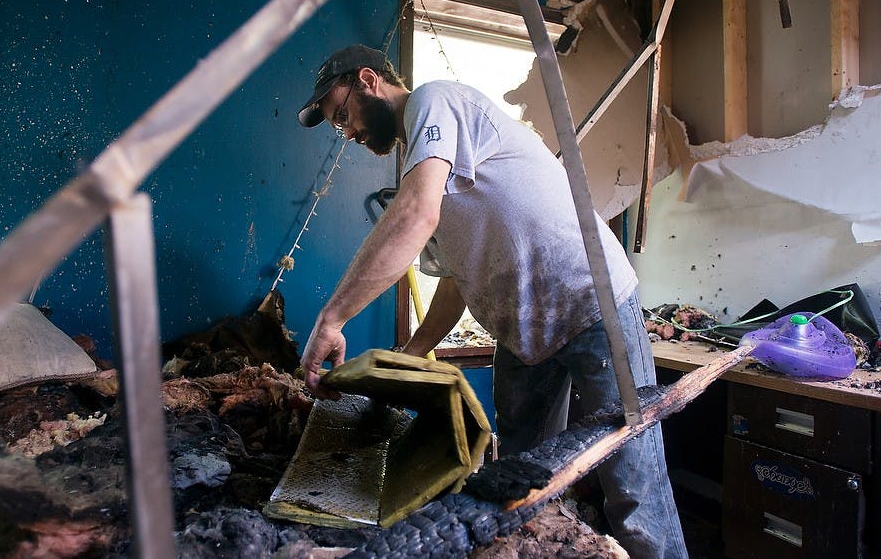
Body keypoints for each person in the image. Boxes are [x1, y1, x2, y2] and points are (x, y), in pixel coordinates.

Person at [295, 44, 688, 559]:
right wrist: (412, 356)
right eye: (336, 126)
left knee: (633, 482)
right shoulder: (424, 164)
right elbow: (455, 283)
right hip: (523, 332)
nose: (346, 132)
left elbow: (415, 217)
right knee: (520, 482)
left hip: (592, 302)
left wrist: (333, 318)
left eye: (342, 115)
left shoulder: (433, 102)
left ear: (369, 80)